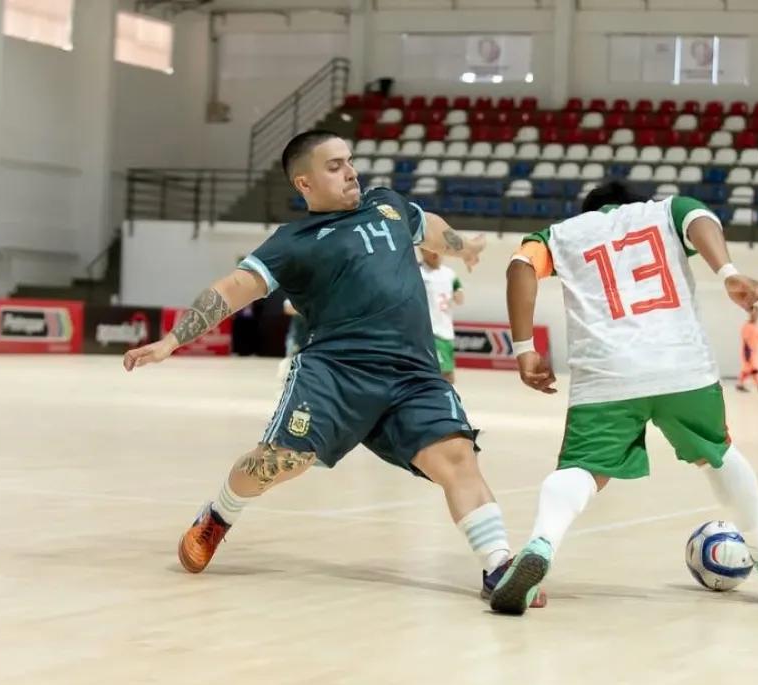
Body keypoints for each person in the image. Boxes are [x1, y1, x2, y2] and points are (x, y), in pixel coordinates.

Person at [123, 128, 544, 608]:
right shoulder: (293, 242)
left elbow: (427, 225)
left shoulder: (386, 205)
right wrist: (174, 339)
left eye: (350, 161)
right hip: (335, 373)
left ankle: (499, 569)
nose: (350, 171)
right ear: (304, 184)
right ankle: (218, 515)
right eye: (335, 166)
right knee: (278, 463)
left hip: (413, 374)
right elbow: (233, 289)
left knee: (457, 457)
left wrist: (460, 246)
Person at [487, 180, 758, 614]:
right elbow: (699, 216)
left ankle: (540, 545)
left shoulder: (562, 233)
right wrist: (728, 272)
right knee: (718, 454)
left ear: (587, 209)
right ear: (633, 203)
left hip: (605, 375)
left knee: (582, 469)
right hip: (681, 366)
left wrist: (523, 348)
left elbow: (520, 266)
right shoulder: (664, 210)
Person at [418, 248, 465, 384]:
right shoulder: (418, 272)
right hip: (430, 332)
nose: (435, 252)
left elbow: (460, 297)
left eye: (437, 248)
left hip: (446, 332)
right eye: (430, 249)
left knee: (448, 376)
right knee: (444, 375)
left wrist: (457, 294)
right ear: (422, 251)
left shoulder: (450, 274)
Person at [276, 298, 309, 382]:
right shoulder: (294, 296)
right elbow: (287, 309)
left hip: (306, 335)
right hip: (295, 335)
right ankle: (284, 377)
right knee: (290, 356)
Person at [737, 306, 758, 392]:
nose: (756, 315)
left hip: (755, 352)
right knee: (751, 368)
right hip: (748, 351)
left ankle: (755, 385)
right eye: (754, 313)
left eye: (757, 314)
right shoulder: (747, 326)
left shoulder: (756, 326)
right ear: (750, 314)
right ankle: (755, 385)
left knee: (752, 369)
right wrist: (747, 352)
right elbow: (745, 339)